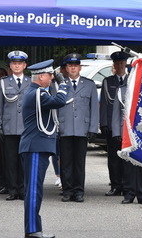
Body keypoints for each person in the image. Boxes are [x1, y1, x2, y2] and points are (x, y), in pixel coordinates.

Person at [20, 59, 68, 238]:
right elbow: (60, 100)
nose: (52, 78)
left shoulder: (38, 92)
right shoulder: (36, 93)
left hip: (38, 145)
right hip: (34, 146)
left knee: (36, 190)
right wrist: (63, 83)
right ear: (41, 76)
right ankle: (32, 231)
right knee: (33, 190)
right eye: (50, 75)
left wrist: (57, 82)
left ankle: (34, 229)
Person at [57, 53, 99, 203]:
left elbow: (94, 108)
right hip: (65, 127)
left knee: (79, 163)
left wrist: (93, 128)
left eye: (75, 65)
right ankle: (67, 191)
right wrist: (56, 127)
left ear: (80, 67)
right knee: (66, 162)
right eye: (70, 65)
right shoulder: (60, 85)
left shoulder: (89, 84)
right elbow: (55, 107)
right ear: (66, 68)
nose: (73, 68)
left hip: (82, 128)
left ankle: (79, 191)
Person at [0, 50, 30, 201]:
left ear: (24, 65)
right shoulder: (3, 83)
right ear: (10, 65)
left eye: (19, 63)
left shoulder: (30, 82)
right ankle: (12, 189)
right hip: (8, 128)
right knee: (10, 160)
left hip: (26, 128)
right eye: (14, 63)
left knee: (23, 160)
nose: (17, 66)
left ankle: (23, 189)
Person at [112, 63, 142, 207]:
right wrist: (117, 132)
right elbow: (116, 113)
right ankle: (129, 193)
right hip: (127, 130)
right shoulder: (122, 90)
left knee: (141, 163)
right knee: (127, 164)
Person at [100, 51, 130, 196]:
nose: (119, 66)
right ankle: (115, 185)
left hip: (128, 127)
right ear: (114, 65)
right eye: (117, 64)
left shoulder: (131, 80)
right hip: (112, 126)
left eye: (122, 63)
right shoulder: (108, 82)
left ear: (125, 64)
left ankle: (127, 185)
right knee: (113, 158)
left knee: (127, 158)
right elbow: (105, 104)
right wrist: (104, 123)